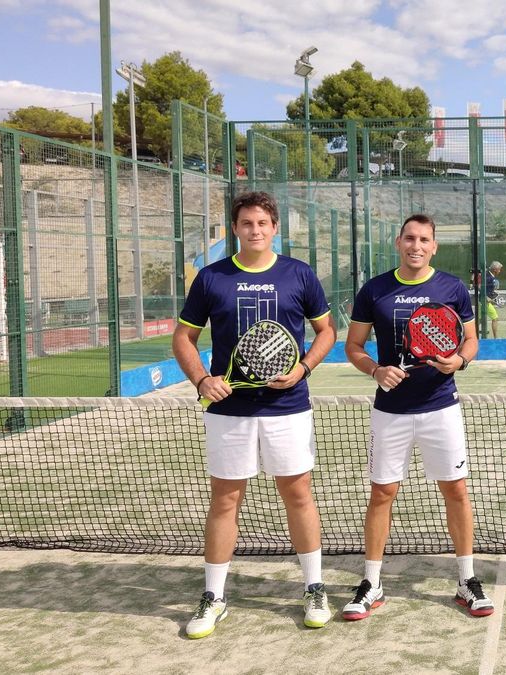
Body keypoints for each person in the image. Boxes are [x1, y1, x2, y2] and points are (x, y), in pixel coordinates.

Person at [172, 190, 337, 638]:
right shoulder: (211, 278)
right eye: (247, 223)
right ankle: (214, 596)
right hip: (229, 412)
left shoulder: (299, 274)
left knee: (298, 494)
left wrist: (303, 368)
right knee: (225, 500)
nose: (255, 230)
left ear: (275, 228)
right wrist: (203, 381)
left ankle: (315, 587)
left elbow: (327, 332)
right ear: (235, 229)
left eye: (263, 223)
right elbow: (183, 338)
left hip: (288, 408)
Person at [343, 214, 489, 620]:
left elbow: (472, 339)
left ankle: (466, 579)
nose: (416, 245)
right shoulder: (375, 289)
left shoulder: (453, 288)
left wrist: (457, 360)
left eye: (424, 239)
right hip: (390, 411)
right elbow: (353, 346)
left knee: (456, 491)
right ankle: (371, 583)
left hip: (441, 407)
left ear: (434, 246)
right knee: (382, 494)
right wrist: (375, 369)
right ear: (397, 241)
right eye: (410, 238)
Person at [485, 261, 503, 338]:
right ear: (495, 269)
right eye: (499, 269)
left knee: (478, 320)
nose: (500, 271)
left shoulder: (489, 276)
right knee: (495, 318)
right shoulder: (488, 277)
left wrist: (494, 294)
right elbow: (480, 287)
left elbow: (488, 290)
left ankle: (470, 334)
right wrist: (486, 297)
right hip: (483, 302)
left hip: (484, 302)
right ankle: (495, 338)